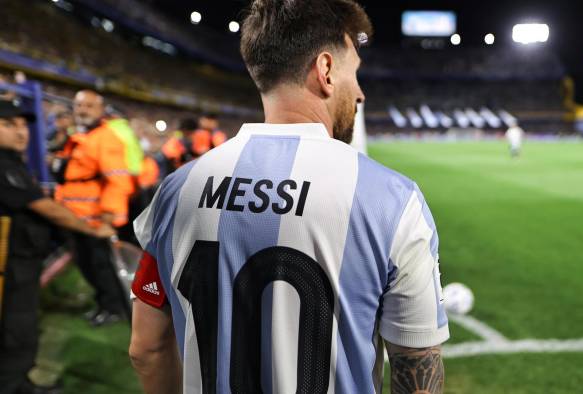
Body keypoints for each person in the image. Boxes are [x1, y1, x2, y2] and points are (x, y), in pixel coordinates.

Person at [128, 1, 448, 393]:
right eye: (355, 74)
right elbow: (416, 371)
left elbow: (146, 348)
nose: (360, 94)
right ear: (326, 70)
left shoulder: (176, 190)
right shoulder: (394, 201)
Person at [0, 100, 114, 394]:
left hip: (20, 258)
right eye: (9, 124)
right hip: (12, 264)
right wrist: (91, 228)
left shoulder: (13, 161)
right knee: (18, 327)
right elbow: (44, 207)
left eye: (23, 124)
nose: (21, 131)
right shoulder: (3, 164)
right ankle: (14, 386)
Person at [53, 90, 134, 325]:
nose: (83, 110)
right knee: (88, 266)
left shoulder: (105, 137)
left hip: (96, 221)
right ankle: (103, 304)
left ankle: (112, 309)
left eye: (89, 106)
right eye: (79, 105)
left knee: (102, 268)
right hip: (76, 218)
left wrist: (109, 221)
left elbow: (118, 180)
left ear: (101, 110)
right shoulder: (83, 135)